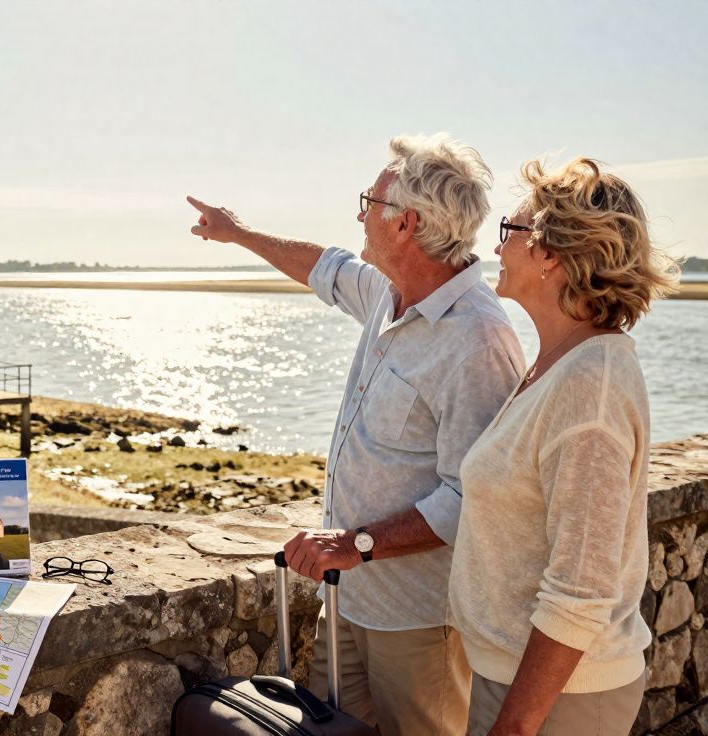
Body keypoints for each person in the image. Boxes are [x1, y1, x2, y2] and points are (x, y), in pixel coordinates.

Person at [188, 133, 524, 735]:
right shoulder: (387, 293)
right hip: (348, 602)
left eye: (370, 201)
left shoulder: (478, 341)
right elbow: (324, 266)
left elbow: (472, 496)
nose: (362, 214)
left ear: (406, 224)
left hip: (421, 620)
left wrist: (359, 543)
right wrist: (237, 233)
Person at [450, 158, 678, 736]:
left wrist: (514, 725)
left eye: (511, 231)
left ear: (551, 252)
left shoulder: (587, 390)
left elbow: (580, 588)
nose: (496, 249)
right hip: (523, 682)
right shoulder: (560, 363)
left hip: (559, 701)